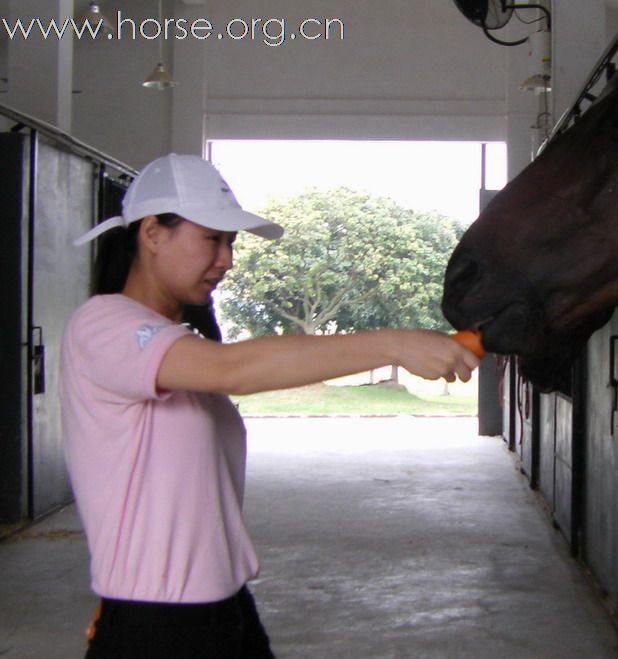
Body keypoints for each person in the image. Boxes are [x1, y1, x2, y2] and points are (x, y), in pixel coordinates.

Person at [60, 153, 479, 658]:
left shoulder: (177, 343)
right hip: (155, 625)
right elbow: (231, 369)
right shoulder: (104, 325)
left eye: (230, 244)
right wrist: (394, 343)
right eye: (212, 239)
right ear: (152, 233)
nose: (226, 260)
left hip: (225, 609)